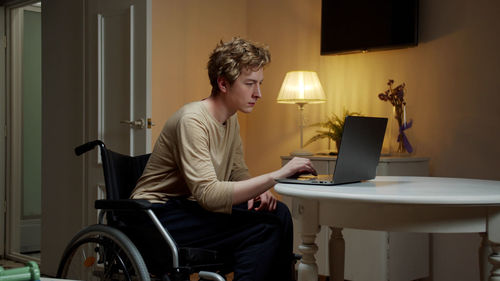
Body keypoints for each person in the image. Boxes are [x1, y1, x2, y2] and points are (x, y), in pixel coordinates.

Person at [131, 37, 317, 281]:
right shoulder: (193, 121)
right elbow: (208, 195)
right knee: (262, 229)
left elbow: (237, 172)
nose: (258, 93)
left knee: (278, 214)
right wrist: (276, 176)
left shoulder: (230, 119)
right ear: (223, 84)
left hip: (189, 208)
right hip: (156, 215)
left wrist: (258, 192)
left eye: (259, 84)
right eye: (250, 84)